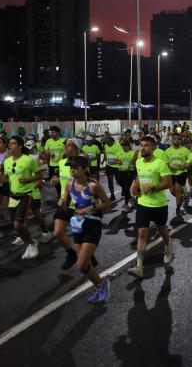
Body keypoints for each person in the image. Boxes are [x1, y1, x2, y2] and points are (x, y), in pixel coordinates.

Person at [60, 156, 111, 303]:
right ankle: (100, 286)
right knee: (84, 265)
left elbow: (107, 203)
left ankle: (102, 285)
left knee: (81, 264)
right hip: (77, 225)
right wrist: (62, 202)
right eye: (71, 168)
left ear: (84, 169)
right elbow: (66, 206)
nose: (72, 171)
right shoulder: (69, 185)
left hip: (93, 225)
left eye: (75, 168)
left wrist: (91, 207)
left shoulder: (93, 186)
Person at [128, 136, 174, 278]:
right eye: (141, 145)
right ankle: (139, 267)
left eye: (147, 145)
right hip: (143, 203)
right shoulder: (139, 162)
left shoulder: (160, 163)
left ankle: (168, 246)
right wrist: (133, 186)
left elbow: (168, 183)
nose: (143, 148)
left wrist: (154, 188)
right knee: (142, 233)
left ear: (154, 147)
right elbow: (138, 178)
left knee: (162, 229)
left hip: (159, 204)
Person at [3, 136, 41, 260]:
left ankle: (32, 243)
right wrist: (0, 179)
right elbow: (7, 178)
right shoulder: (7, 161)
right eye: (9, 143)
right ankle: (29, 244)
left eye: (13, 143)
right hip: (12, 195)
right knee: (16, 227)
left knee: (18, 225)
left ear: (20, 146)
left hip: (25, 195)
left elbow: (39, 174)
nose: (10, 145)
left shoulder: (28, 160)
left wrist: (29, 179)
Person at [53, 139, 83, 269]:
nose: (66, 147)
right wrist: (56, 180)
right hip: (64, 203)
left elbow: (84, 183)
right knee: (58, 232)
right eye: (65, 145)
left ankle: (87, 257)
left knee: (79, 239)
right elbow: (64, 180)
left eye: (70, 145)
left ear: (76, 148)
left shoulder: (82, 163)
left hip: (78, 205)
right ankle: (71, 254)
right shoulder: (61, 162)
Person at [165, 133, 190, 217]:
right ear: (172, 140)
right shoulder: (168, 150)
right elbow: (165, 162)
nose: (176, 140)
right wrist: (169, 167)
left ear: (181, 140)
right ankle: (182, 196)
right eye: (174, 138)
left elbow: (190, 161)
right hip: (170, 173)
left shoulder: (185, 150)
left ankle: (178, 208)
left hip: (181, 173)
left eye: (178, 139)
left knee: (177, 190)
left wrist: (184, 166)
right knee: (172, 192)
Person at [115, 138, 137, 213]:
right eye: (122, 145)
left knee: (126, 187)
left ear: (129, 146)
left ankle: (126, 204)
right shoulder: (119, 152)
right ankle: (130, 197)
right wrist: (118, 162)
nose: (124, 147)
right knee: (121, 184)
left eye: (125, 145)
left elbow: (136, 162)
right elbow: (113, 160)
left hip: (130, 172)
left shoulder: (133, 153)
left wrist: (132, 164)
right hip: (121, 171)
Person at [44, 126, 66, 197]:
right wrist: (47, 154)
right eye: (50, 132)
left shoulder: (64, 140)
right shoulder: (48, 141)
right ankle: (60, 193)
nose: (51, 134)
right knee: (53, 181)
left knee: (61, 180)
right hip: (52, 164)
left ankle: (62, 195)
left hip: (62, 164)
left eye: (53, 132)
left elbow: (67, 151)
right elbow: (46, 152)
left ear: (58, 133)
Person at [103, 135, 123, 202]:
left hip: (117, 166)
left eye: (108, 142)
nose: (107, 143)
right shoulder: (106, 145)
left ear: (112, 141)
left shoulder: (118, 146)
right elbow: (105, 153)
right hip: (109, 166)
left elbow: (120, 155)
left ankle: (124, 189)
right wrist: (105, 160)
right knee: (110, 181)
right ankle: (112, 195)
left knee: (119, 181)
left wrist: (114, 161)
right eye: (106, 142)